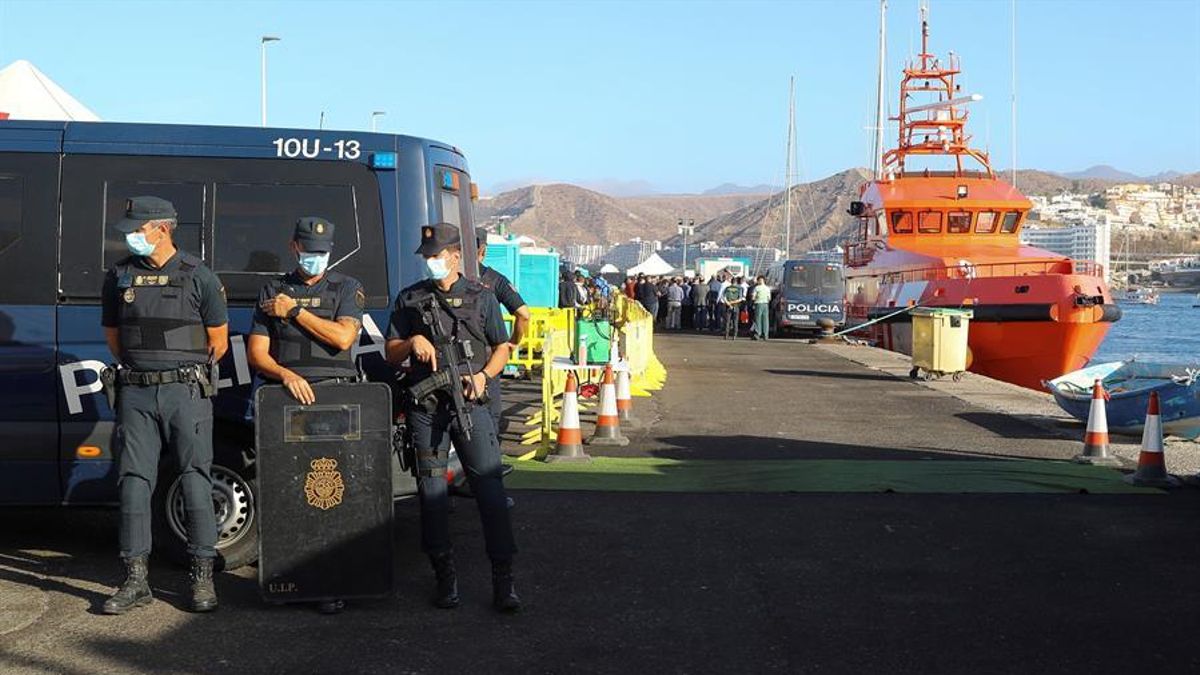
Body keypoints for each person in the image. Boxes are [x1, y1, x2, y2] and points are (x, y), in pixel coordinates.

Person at [101, 196, 229, 615]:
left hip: (185, 393)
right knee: (134, 481)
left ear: (163, 229)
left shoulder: (199, 276)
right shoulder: (118, 277)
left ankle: (202, 578)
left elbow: (218, 342)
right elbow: (114, 336)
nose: (131, 236)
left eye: (139, 229)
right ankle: (136, 579)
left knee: (195, 478)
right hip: (136, 391)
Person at [385, 222, 520, 613]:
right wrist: (412, 341)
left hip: (470, 404)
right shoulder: (410, 299)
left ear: (456, 256)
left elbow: (502, 347)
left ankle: (503, 578)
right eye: (426, 257)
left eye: (437, 256)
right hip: (426, 408)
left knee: (489, 490)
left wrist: (482, 377)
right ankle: (444, 576)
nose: (431, 263)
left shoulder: (482, 297)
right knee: (431, 492)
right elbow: (391, 353)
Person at [245, 218, 365, 614]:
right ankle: (288, 579)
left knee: (331, 491)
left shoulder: (346, 287)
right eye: (309, 251)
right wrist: (285, 374)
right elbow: (258, 354)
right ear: (294, 247)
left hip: (335, 398)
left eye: (323, 252)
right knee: (288, 490)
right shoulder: (271, 290)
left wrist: (295, 311)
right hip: (286, 397)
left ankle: (329, 580)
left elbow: (344, 338)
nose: (316, 259)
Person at [476, 227, 531, 439]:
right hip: (488, 363)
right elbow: (524, 314)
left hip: (451, 363)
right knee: (489, 423)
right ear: (484, 251)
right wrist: (512, 343)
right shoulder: (494, 280)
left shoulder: (448, 280)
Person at [751, 275, 772, 341]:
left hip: (758, 304)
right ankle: (765, 335)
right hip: (765, 304)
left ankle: (758, 334)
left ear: (759, 280)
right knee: (765, 320)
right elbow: (769, 298)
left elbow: (753, 297)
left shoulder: (757, 288)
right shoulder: (767, 288)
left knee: (758, 319)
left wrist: (754, 300)